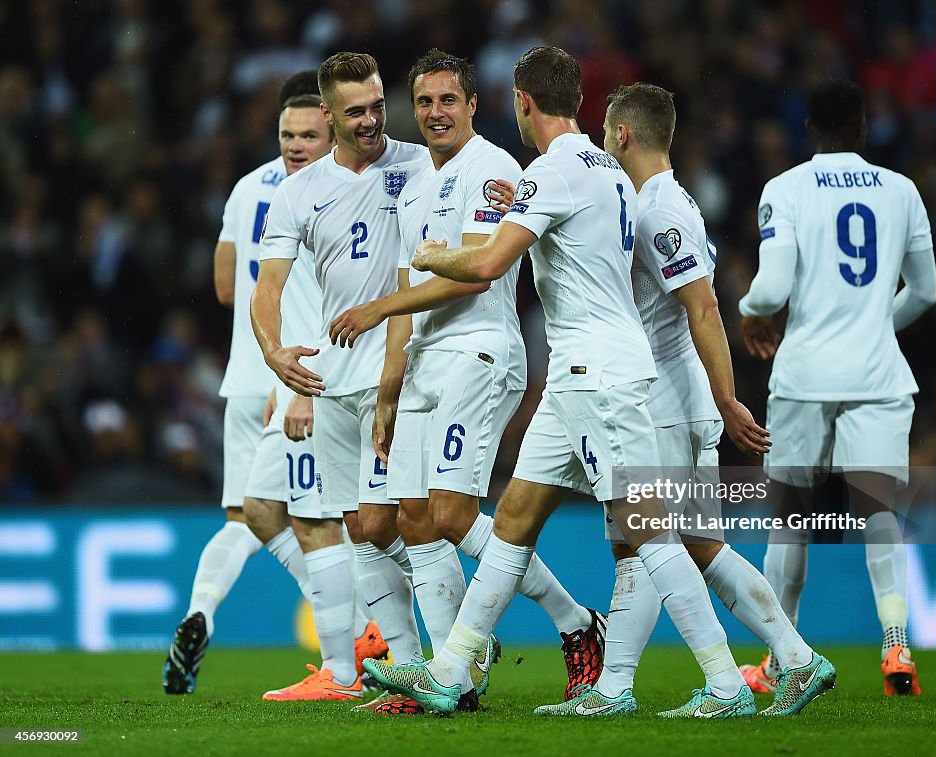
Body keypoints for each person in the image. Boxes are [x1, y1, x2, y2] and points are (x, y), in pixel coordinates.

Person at [364, 46, 778, 718]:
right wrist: (521, 196)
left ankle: (726, 683)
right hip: (576, 373)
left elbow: (492, 262)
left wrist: (432, 252)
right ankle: (449, 668)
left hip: (597, 374)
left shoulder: (552, 172)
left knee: (649, 531)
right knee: (514, 523)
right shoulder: (607, 169)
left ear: (522, 102)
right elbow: (563, 224)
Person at [533, 83, 835, 718]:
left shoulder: (659, 211)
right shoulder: (651, 201)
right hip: (672, 393)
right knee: (694, 542)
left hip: (666, 397)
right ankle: (796, 658)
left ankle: (617, 688)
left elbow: (703, 307)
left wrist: (728, 400)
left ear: (621, 136)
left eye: (606, 135)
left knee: (643, 542)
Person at [331, 49, 605, 714]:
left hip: (480, 353)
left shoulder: (493, 171)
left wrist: (377, 310)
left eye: (447, 100)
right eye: (424, 103)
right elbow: (406, 280)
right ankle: (447, 679)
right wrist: (389, 388)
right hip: (425, 363)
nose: (435, 113)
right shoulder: (412, 182)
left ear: (473, 104)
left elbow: (475, 272)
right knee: (414, 521)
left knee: (453, 514)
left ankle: (575, 619)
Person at [251, 51, 448, 703]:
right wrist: (274, 350)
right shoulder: (299, 193)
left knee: (402, 519)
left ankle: (455, 654)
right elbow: (267, 287)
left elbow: (420, 270)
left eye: (376, 105)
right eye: (355, 111)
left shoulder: (418, 164)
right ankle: (411, 669)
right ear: (329, 116)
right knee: (359, 525)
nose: (371, 120)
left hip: (403, 372)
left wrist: (396, 367)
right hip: (330, 381)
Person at [737, 79, 936, 697]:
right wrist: (875, 324)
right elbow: (925, 291)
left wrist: (748, 308)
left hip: (803, 376)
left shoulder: (786, 189)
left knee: (790, 519)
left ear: (808, 130)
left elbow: (771, 292)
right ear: (863, 126)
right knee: (879, 508)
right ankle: (896, 645)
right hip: (878, 374)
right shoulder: (902, 191)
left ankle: (781, 660)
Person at [163, 72, 333, 696]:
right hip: (296, 375)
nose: (295, 142)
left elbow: (226, 288)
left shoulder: (244, 189)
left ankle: (200, 611)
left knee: (246, 517)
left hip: (243, 373)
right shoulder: (334, 190)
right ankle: (356, 632)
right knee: (325, 514)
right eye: (291, 133)